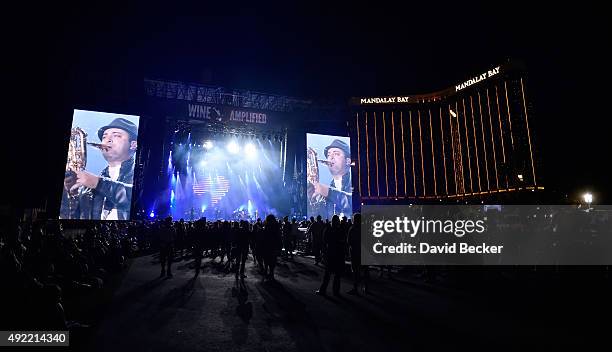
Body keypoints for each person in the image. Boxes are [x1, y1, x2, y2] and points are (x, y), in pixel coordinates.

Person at [60, 118, 138, 220]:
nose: (107, 139)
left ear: (133, 145)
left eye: (116, 135)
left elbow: (138, 199)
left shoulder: (142, 173)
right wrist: (66, 194)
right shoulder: (89, 186)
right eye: (104, 137)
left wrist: (98, 183)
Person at [309, 139, 352, 220]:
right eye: (328, 155)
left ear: (348, 161)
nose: (331, 157)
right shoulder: (330, 187)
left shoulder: (356, 182)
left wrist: (326, 191)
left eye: (336, 154)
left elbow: (352, 202)